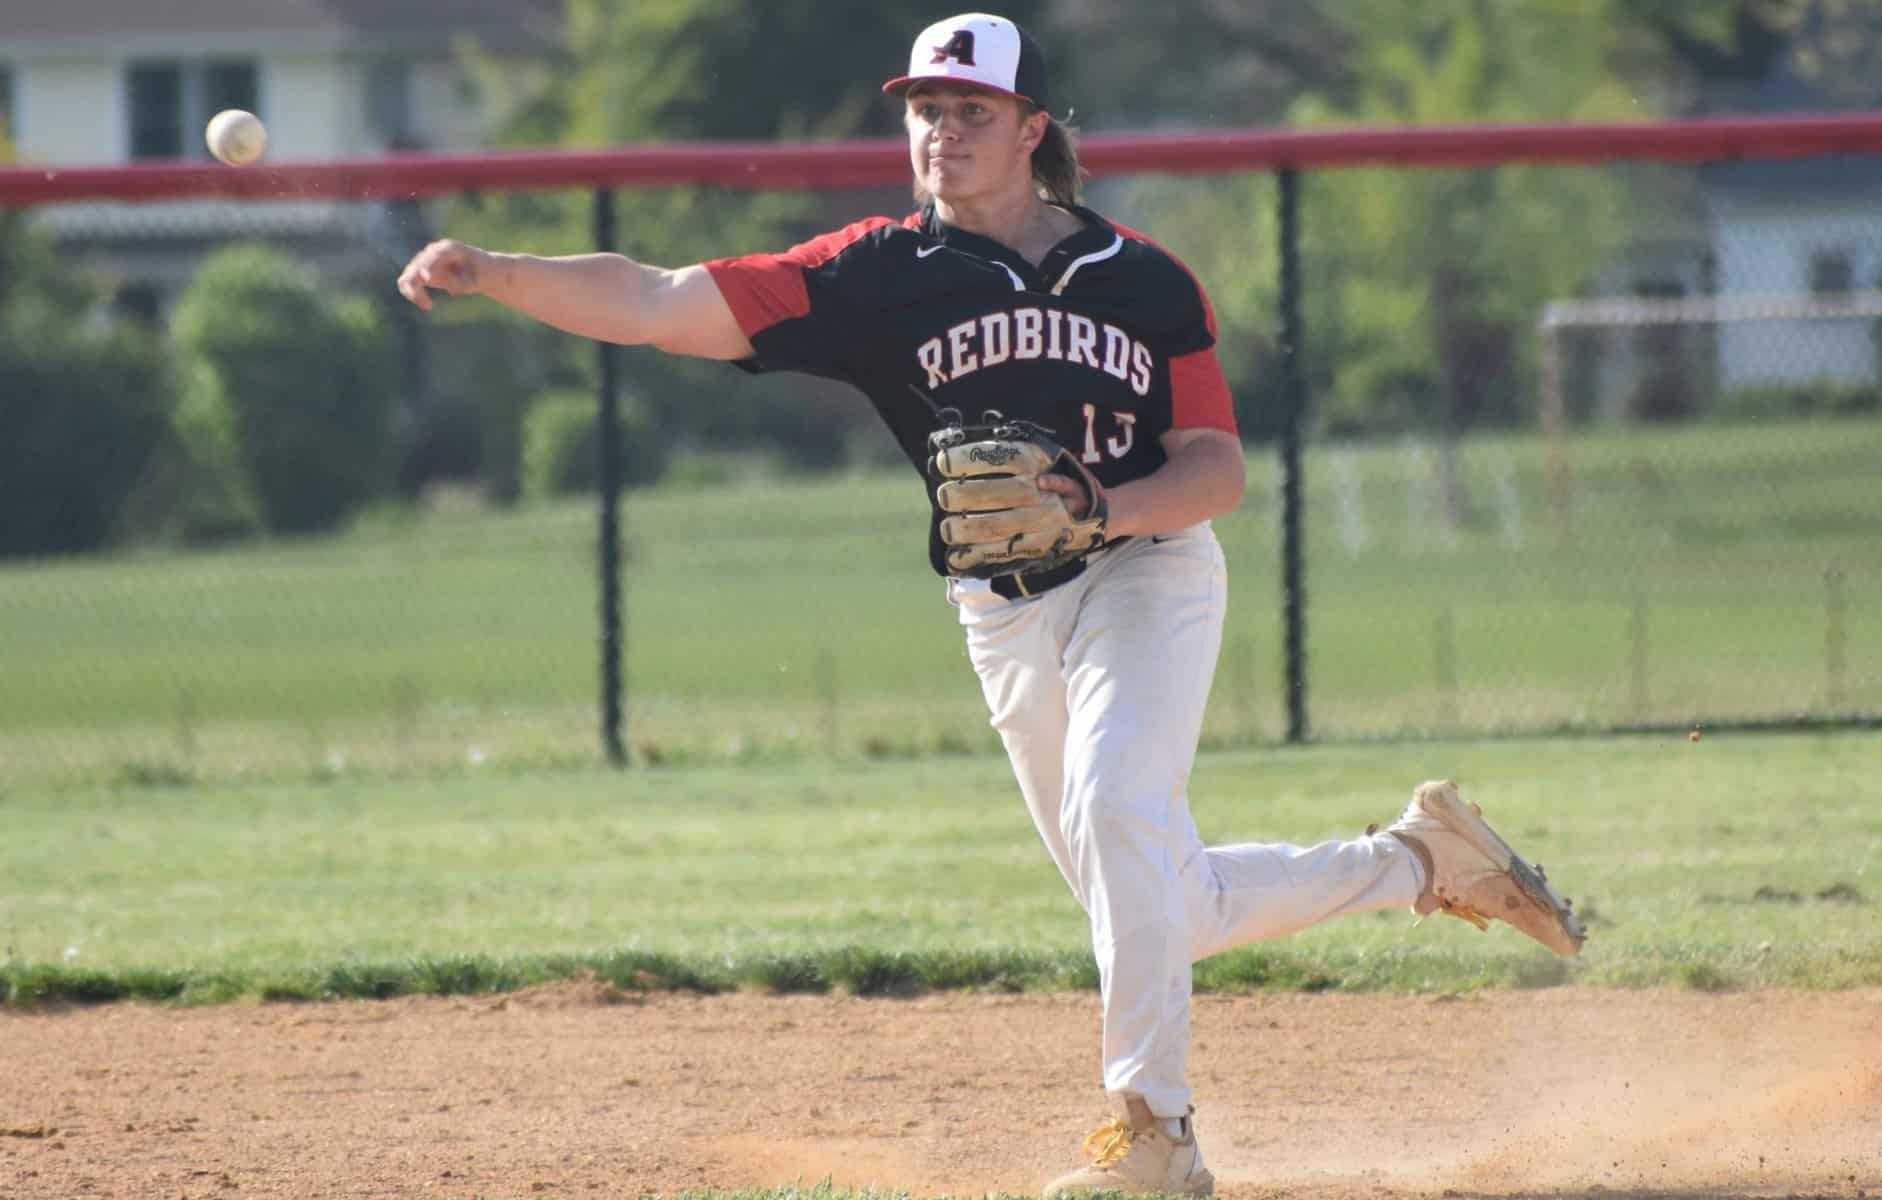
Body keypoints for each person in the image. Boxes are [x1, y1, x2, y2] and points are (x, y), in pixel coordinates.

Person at [397, 13, 1586, 1196]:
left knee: (1120, 807)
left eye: (970, 112)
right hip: (1004, 613)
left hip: (1146, 570)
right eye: (924, 111)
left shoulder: (1143, 280)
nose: (941, 133)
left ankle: (1157, 1135)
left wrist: (1098, 507)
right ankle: (1419, 862)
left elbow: (1215, 469)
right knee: (1156, 900)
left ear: (1030, 129)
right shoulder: (870, 276)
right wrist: (497, 272)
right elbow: (658, 298)